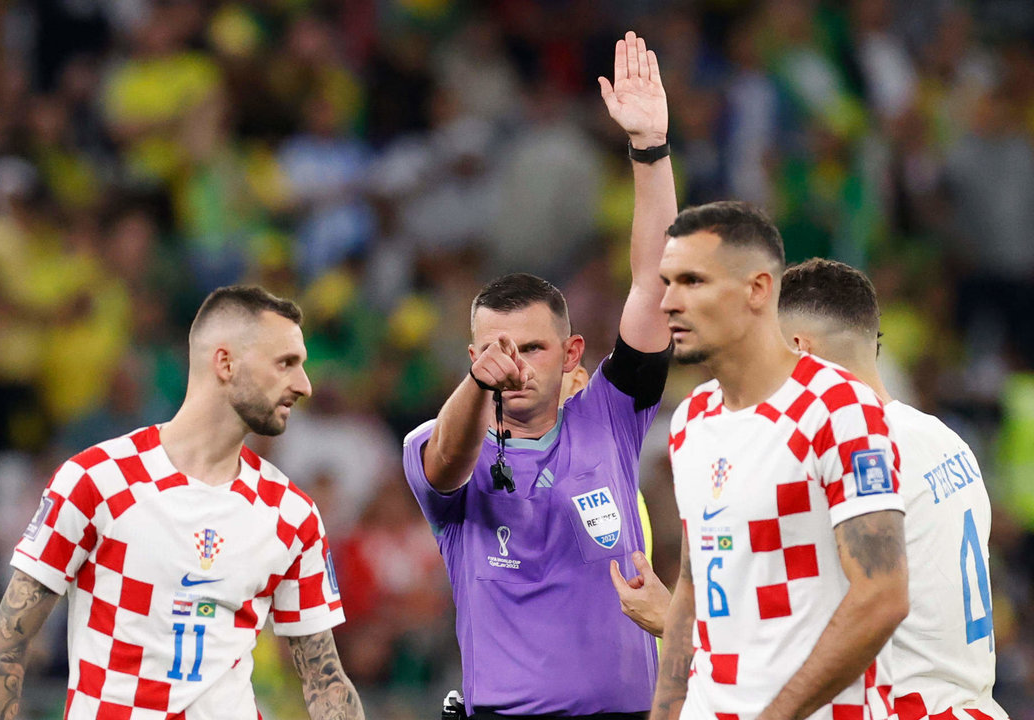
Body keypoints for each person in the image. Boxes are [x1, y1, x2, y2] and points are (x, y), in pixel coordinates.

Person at [401, 30, 676, 718]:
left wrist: (649, 150)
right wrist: (477, 390)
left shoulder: (609, 416)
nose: (511, 365)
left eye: (532, 349)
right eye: (494, 349)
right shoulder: (440, 443)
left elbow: (654, 285)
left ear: (573, 353)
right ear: (471, 359)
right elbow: (448, 460)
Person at [613, 259, 1012, 719]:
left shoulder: (846, 454)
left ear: (801, 350)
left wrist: (672, 620)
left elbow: (811, 633)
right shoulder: (943, 439)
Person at [0, 285, 365, 720]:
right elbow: (8, 643)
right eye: (286, 363)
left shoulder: (292, 514)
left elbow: (325, 681)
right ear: (226, 362)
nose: (304, 385)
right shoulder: (98, 480)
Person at [648, 203, 909, 719]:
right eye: (667, 282)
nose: (669, 303)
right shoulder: (691, 422)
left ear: (758, 289)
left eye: (693, 281)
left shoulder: (837, 406)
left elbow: (882, 594)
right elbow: (693, 584)